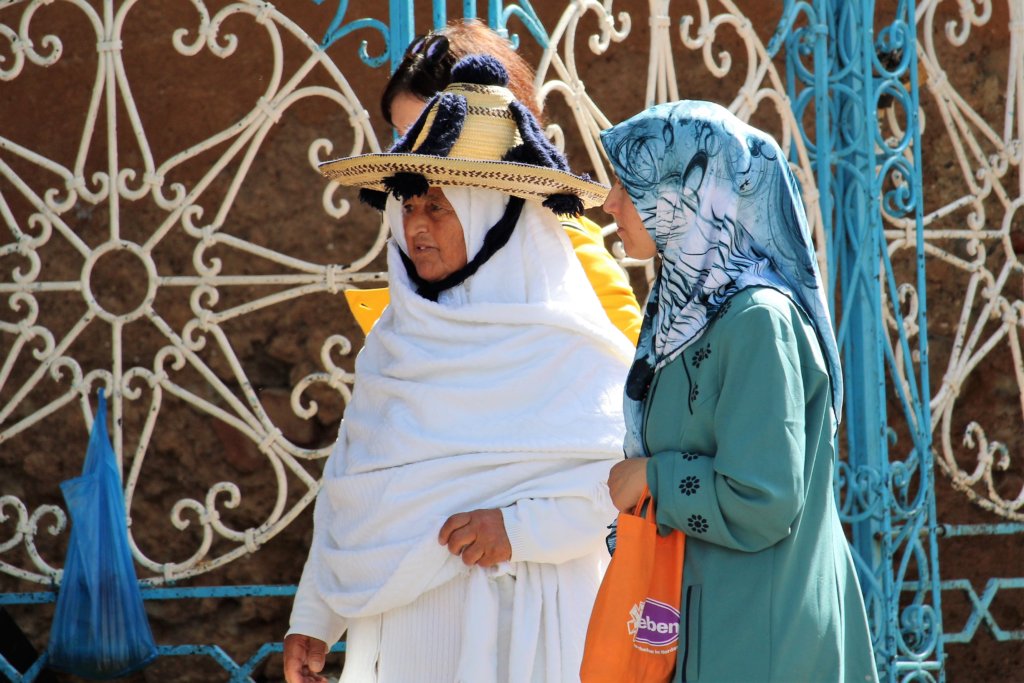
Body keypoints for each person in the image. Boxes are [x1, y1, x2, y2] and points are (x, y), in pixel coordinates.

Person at [283, 55, 635, 683]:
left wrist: (518, 530)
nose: (416, 225)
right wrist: (314, 616)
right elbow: (352, 487)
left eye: (440, 207)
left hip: (537, 632)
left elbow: (620, 483)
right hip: (410, 638)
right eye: (408, 205)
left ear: (490, 212)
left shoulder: (569, 342)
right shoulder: (394, 346)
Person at [601, 100, 879, 682]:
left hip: (762, 642)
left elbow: (764, 498)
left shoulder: (757, 320)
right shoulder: (684, 315)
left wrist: (651, 479)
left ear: (688, 194)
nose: (610, 206)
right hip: (711, 628)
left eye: (629, 188)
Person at [346, 19, 642, 344]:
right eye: (405, 135)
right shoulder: (420, 253)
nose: (417, 153)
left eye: (434, 132)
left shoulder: (559, 243)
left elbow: (627, 359)